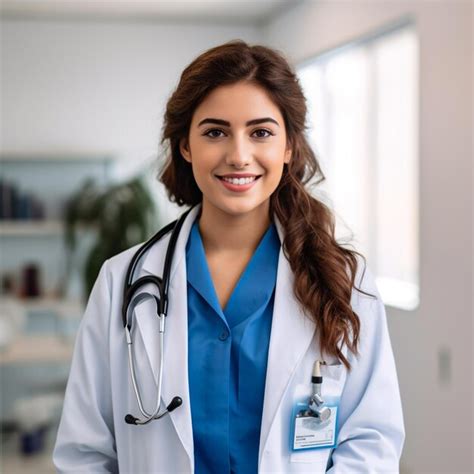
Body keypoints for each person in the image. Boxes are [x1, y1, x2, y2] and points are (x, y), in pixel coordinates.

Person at [53, 40, 405, 473]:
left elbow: (371, 440)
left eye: (261, 132)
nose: (239, 155)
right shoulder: (121, 281)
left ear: (289, 147)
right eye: (215, 132)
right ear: (185, 145)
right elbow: (85, 453)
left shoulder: (346, 280)